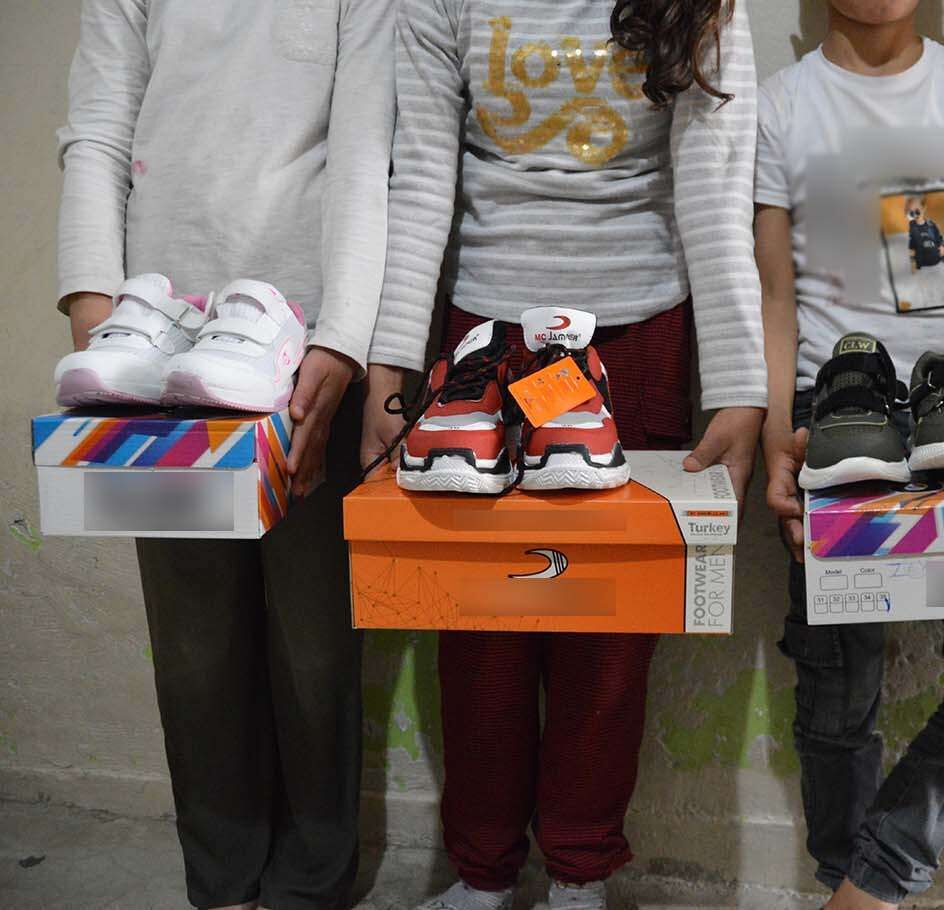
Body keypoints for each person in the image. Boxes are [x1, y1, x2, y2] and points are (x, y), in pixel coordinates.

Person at [361, 1, 766, 907]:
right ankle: (482, 875)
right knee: (479, 634)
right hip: (479, 343)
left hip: (638, 341)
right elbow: (420, 176)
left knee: (608, 641)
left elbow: (714, 185)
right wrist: (390, 368)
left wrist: (739, 385)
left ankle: (581, 877)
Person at [55, 2, 395, 907]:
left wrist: (342, 340)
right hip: (153, 344)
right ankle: (222, 881)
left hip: (304, 346)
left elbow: (366, 153)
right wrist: (95, 317)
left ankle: (314, 883)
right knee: (195, 646)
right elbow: (97, 133)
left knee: (316, 643)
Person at [755, 2, 944, 907]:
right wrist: (776, 442)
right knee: (839, 689)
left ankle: (870, 883)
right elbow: (771, 294)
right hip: (832, 419)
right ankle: (839, 876)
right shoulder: (779, 104)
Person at [904, 195, 944, 270]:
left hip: (936, 260)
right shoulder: (913, 227)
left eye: (917, 211)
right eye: (911, 213)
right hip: (922, 262)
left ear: (923, 208)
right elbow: (912, 245)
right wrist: (913, 262)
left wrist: (943, 249)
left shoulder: (931, 224)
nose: (915, 214)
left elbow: (939, 238)